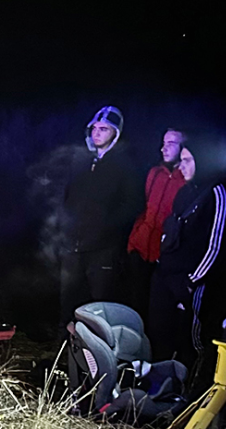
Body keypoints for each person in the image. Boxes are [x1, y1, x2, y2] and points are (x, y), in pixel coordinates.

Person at [146, 139, 226, 373]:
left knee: (190, 338)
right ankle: (158, 383)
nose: (181, 166)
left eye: (187, 161)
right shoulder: (185, 190)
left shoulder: (216, 193)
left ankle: (191, 384)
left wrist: (192, 281)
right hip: (165, 273)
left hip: (190, 280)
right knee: (159, 330)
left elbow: (215, 244)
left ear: (202, 161)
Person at [59, 105, 144, 325]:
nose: (97, 133)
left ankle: (100, 354)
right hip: (74, 246)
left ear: (116, 133)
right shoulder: (82, 162)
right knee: (68, 302)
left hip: (103, 249)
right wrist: (64, 227)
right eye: (95, 128)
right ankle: (63, 353)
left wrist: (106, 229)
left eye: (104, 129)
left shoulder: (125, 166)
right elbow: (67, 197)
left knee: (100, 306)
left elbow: (132, 205)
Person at [127, 129, 188, 318]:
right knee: (136, 303)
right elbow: (146, 207)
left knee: (159, 311)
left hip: (166, 253)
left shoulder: (186, 179)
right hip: (142, 248)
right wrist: (135, 239)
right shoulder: (154, 173)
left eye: (171, 143)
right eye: (164, 143)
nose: (164, 148)